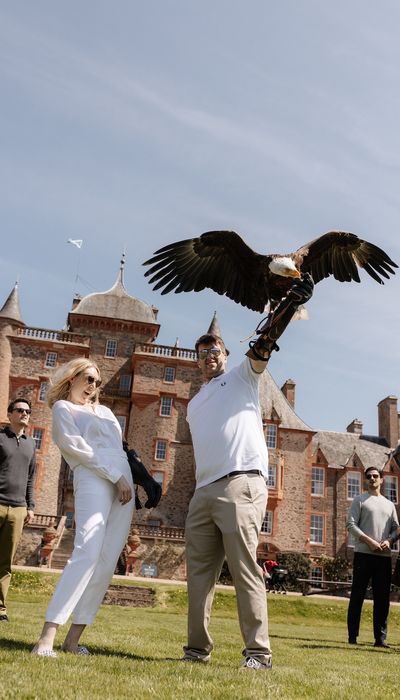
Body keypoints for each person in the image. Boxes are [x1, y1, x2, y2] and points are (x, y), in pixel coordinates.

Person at [182, 274, 314, 670]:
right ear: (197, 359)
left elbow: (264, 343)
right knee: (198, 578)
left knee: (244, 570)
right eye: (202, 351)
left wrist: (289, 306)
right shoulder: (193, 404)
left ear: (225, 355)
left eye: (215, 349)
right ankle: (196, 651)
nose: (209, 355)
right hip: (203, 492)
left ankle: (258, 653)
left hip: (241, 484)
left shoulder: (243, 376)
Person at [32, 358, 134, 657]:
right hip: (94, 476)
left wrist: (128, 477)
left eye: (97, 382)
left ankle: (73, 640)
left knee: (106, 560)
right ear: (72, 378)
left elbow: (120, 449)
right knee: (87, 550)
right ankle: (46, 637)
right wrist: (114, 476)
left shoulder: (105, 412)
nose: (93, 386)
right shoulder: (64, 409)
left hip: (123, 480)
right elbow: (75, 446)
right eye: (88, 378)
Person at [347, 466, 400, 647]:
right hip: (363, 555)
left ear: (381, 479)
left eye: (375, 476)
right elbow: (351, 525)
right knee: (357, 596)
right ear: (365, 480)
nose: (372, 479)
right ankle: (352, 637)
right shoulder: (359, 500)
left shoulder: (389, 504)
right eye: (368, 476)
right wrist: (369, 541)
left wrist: (390, 541)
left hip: (384, 557)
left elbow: (396, 529)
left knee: (382, 599)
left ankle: (380, 639)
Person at [0, 398, 36, 622]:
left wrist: (30, 506)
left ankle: (0, 609)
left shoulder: (31, 444)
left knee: (5, 562)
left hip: (18, 509)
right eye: (20, 410)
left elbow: (32, 478)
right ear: (10, 414)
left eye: (27, 411)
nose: (24, 414)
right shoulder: (0, 439)